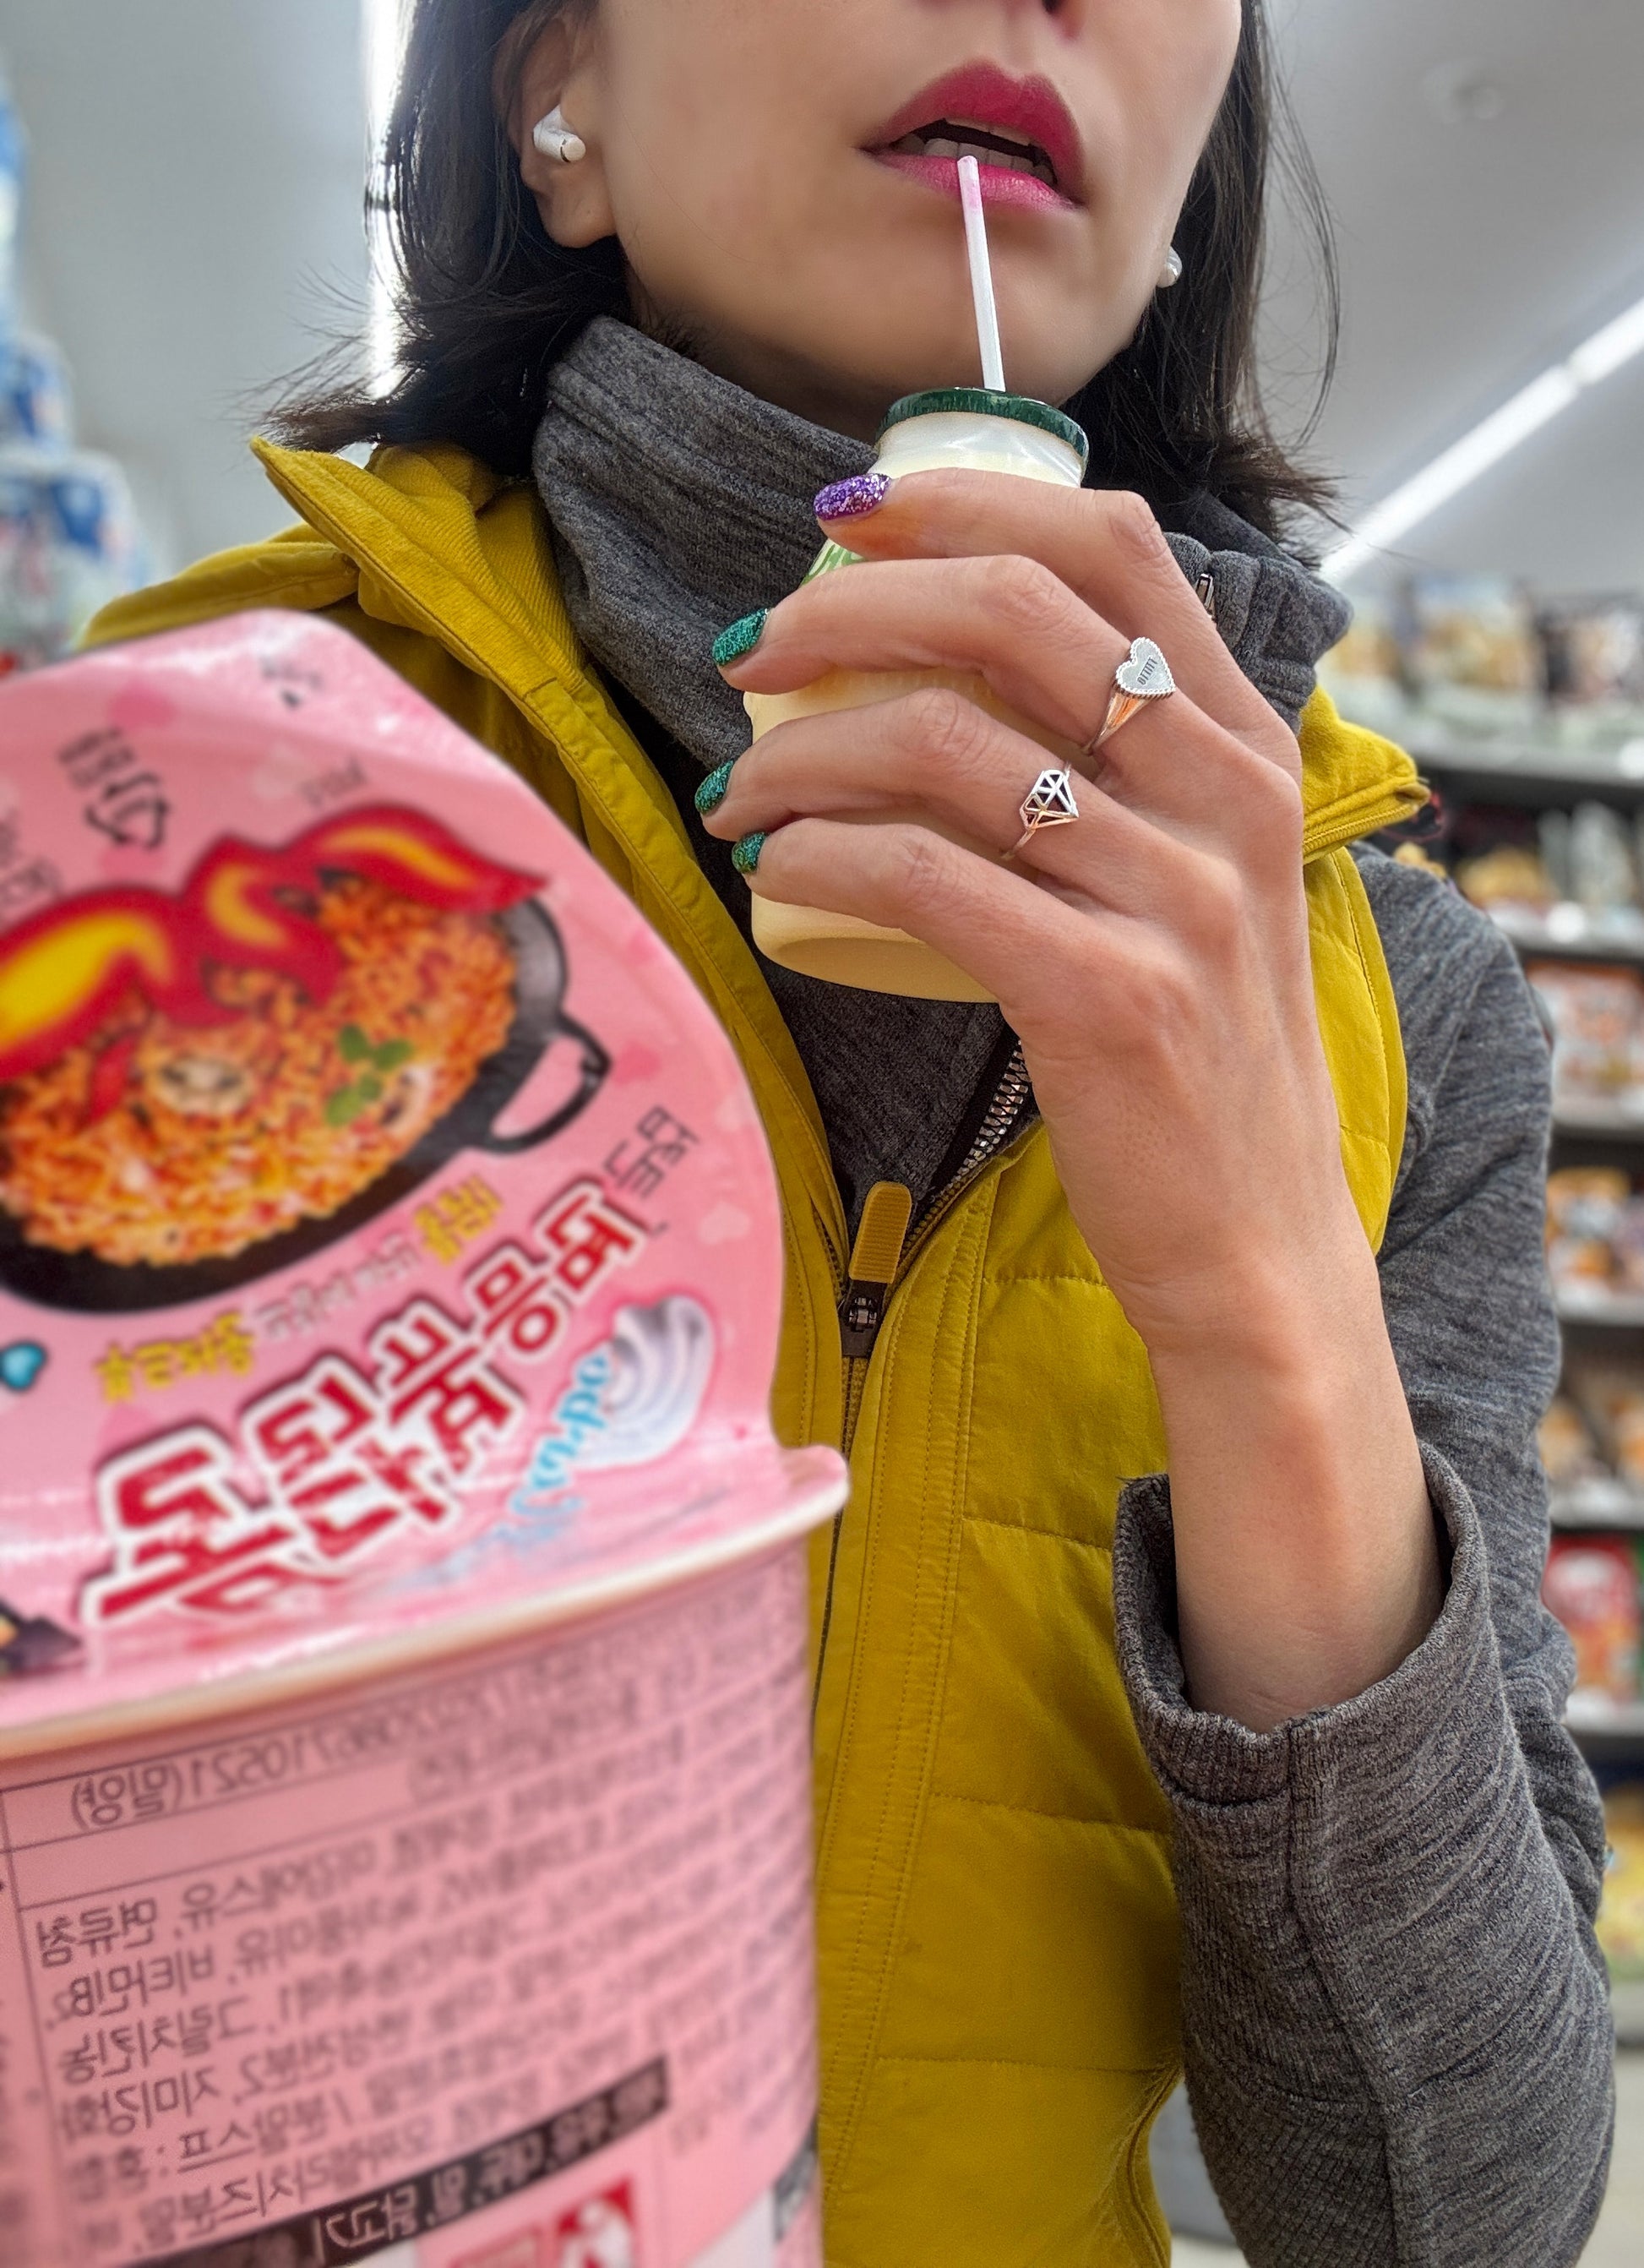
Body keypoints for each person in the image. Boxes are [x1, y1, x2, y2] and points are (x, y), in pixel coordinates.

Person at [88, 2, 1614, 2260]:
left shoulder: (1411, 1001)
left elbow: (1443, 2218)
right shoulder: (171, 838)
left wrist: (1259, 1292)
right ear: (549, 104)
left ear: (1182, 206)